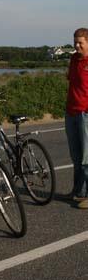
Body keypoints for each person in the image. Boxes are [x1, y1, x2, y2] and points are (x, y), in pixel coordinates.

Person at [65, 27, 88, 209]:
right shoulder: (74, 59)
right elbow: (70, 78)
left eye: (80, 42)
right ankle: (78, 191)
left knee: (87, 156)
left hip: (85, 112)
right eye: (75, 42)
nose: (77, 45)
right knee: (76, 155)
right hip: (71, 111)